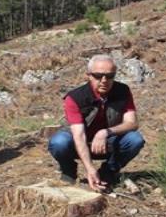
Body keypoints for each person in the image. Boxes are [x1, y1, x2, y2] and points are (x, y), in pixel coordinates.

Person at [48, 55, 145, 192]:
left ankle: (108, 172)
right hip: (80, 142)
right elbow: (79, 135)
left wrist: (105, 132)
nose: (104, 80)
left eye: (110, 76)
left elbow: (132, 123)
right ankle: (68, 170)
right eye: (98, 76)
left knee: (135, 139)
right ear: (89, 75)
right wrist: (90, 169)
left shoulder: (122, 91)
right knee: (59, 142)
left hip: (107, 143)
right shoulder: (75, 98)